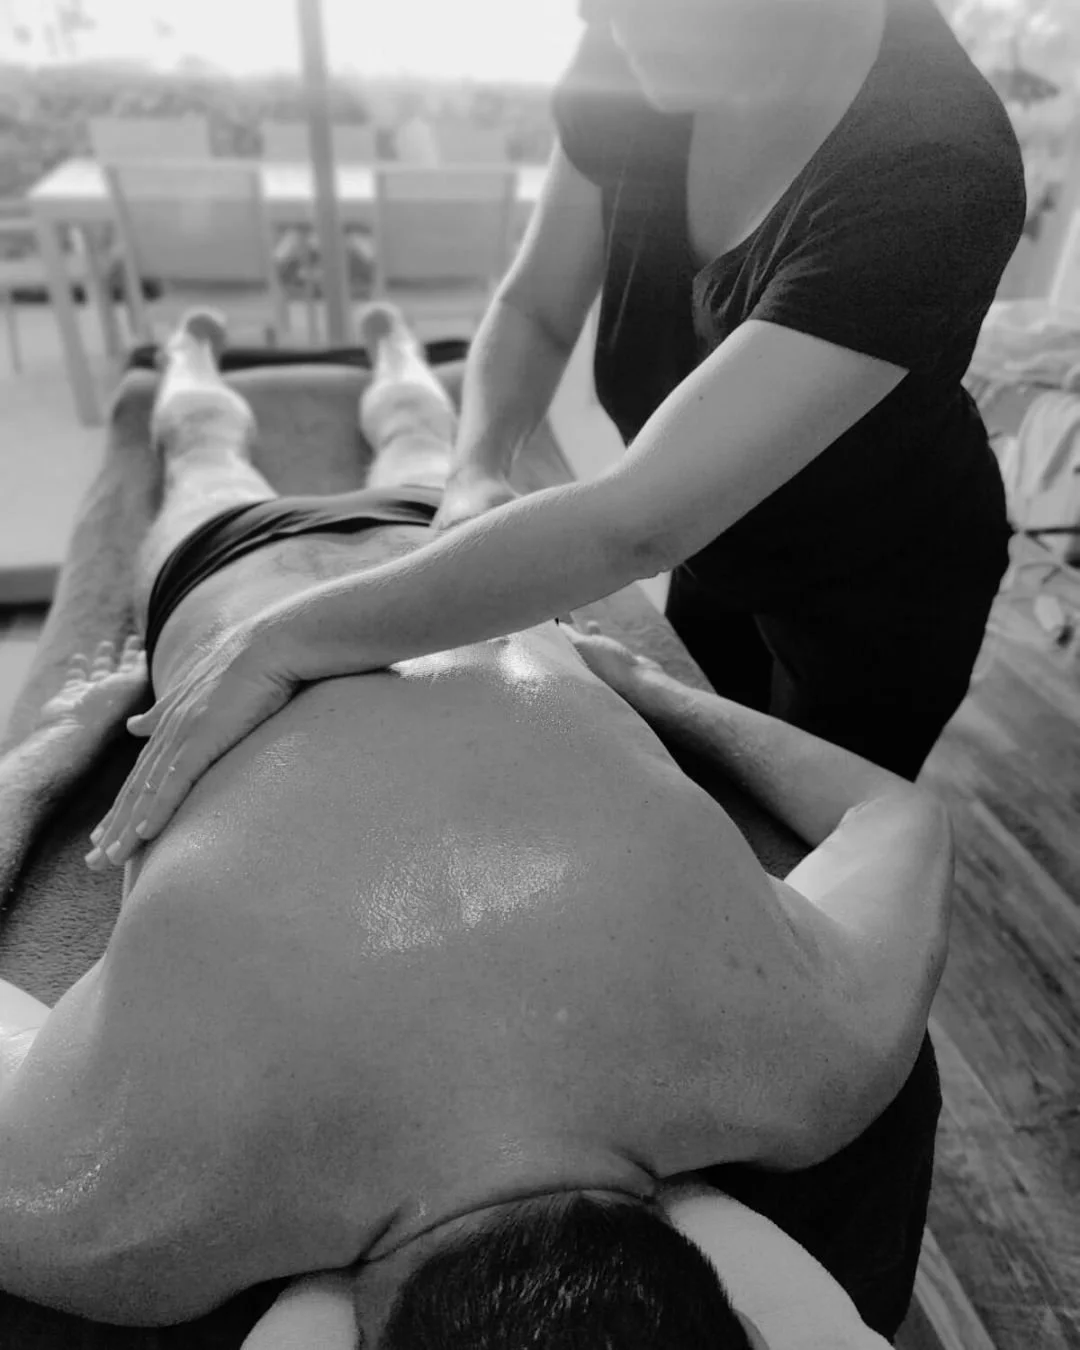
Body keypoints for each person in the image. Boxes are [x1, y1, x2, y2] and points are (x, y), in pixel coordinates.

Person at [0, 310, 951, 1343]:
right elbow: (894, 809)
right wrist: (52, 761)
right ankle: (298, 358)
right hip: (284, 586)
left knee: (369, 442)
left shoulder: (815, 1062)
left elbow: (895, 813)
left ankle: (312, 355)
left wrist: (653, 694)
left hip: (461, 578)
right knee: (220, 458)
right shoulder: (104, 1222)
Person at [84, 0, 1027, 847]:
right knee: (704, 796)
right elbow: (535, 306)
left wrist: (275, 640)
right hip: (721, 544)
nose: (591, 12)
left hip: (882, 585)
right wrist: (476, 470)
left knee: (801, 850)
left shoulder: (935, 165)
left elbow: (638, 522)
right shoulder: (630, 51)